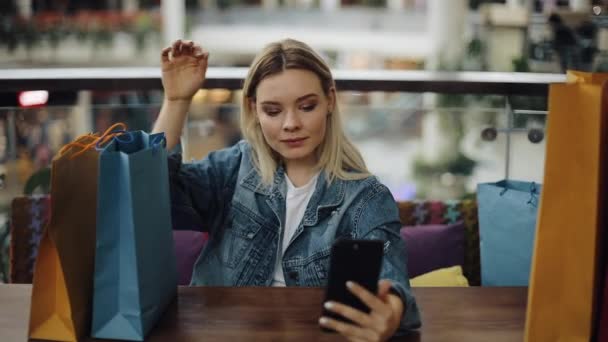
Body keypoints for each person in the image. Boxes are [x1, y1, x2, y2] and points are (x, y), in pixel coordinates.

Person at [153, 38, 421, 340]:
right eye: (272, 111)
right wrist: (176, 102)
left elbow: (393, 280)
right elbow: (154, 197)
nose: (291, 124)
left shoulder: (366, 197)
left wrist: (392, 311)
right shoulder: (234, 168)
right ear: (254, 110)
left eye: (307, 106)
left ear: (330, 101)